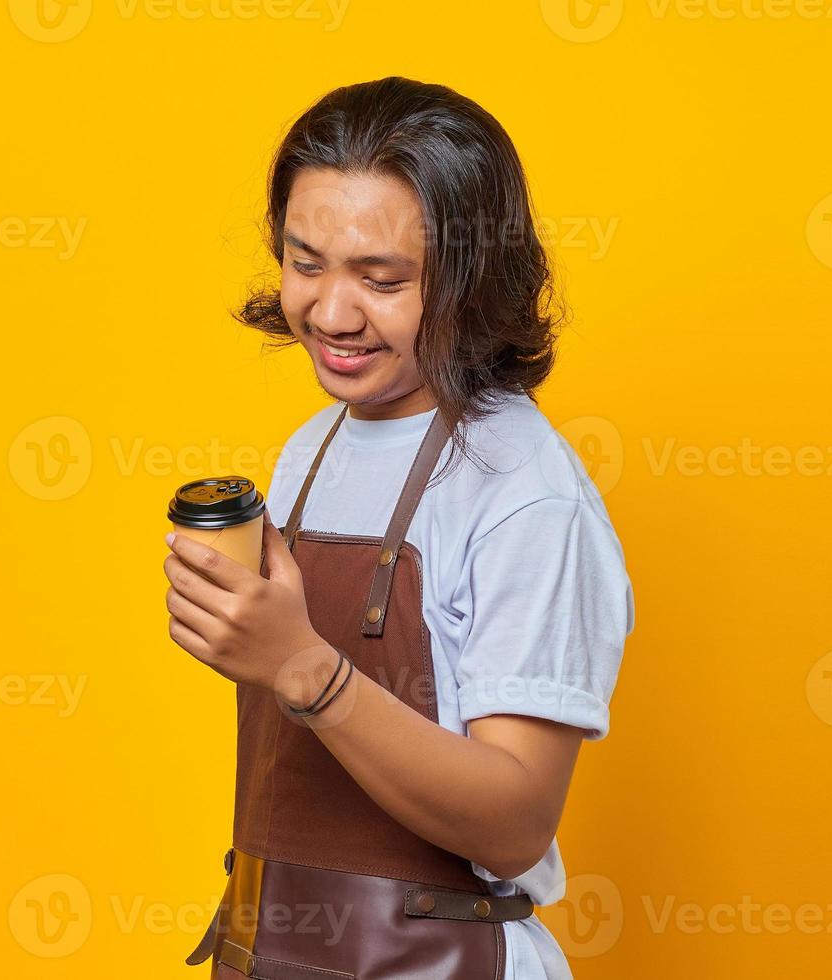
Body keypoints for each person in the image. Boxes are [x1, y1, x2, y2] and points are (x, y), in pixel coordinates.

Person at [162, 75, 634, 980]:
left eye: (382, 280)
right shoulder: (314, 447)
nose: (333, 315)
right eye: (306, 264)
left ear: (470, 277)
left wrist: (300, 664)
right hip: (271, 953)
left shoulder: (524, 491)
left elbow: (516, 819)